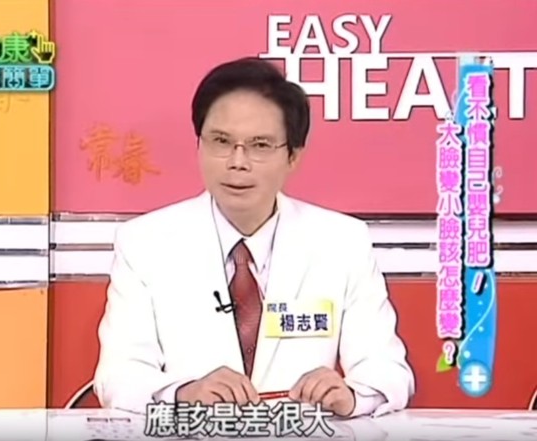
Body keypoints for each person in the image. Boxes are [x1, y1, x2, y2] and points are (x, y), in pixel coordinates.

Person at [93, 57, 415, 418]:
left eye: (260, 145)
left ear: (292, 156)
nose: (238, 162)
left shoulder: (341, 242)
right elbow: (118, 375)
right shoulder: (145, 243)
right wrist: (184, 393)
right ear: (199, 144)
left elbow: (388, 371)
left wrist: (351, 396)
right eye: (221, 141)